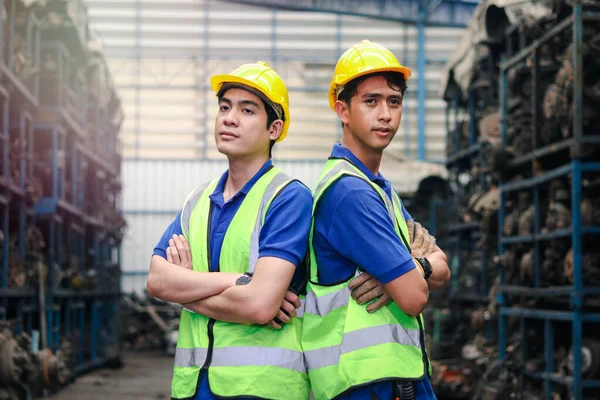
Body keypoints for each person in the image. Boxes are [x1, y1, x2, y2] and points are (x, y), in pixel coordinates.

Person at [146, 61, 312, 400]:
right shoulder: (198, 201)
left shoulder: (288, 197)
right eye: (224, 107)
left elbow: (259, 306)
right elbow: (156, 281)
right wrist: (235, 281)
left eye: (247, 110)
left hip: (261, 389)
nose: (229, 118)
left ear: (274, 129)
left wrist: (186, 289)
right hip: (193, 387)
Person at [301, 40, 451, 400]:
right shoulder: (351, 193)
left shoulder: (380, 189)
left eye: (393, 101)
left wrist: (414, 266)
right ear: (343, 110)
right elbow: (415, 296)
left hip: (390, 377)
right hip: (367, 384)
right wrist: (411, 273)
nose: (385, 114)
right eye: (371, 101)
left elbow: (442, 267)